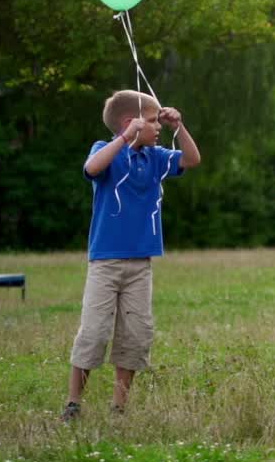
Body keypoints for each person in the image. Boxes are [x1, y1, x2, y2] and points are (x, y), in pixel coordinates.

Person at [63, 90, 200, 421]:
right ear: (131, 124)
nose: (159, 128)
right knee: (94, 333)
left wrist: (179, 127)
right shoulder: (106, 151)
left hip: (141, 264)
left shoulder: (155, 157)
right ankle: (73, 404)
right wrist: (125, 139)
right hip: (105, 262)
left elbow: (191, 159)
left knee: (135, 336)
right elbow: (92, 168)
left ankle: (119, 407)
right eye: (153, 122)